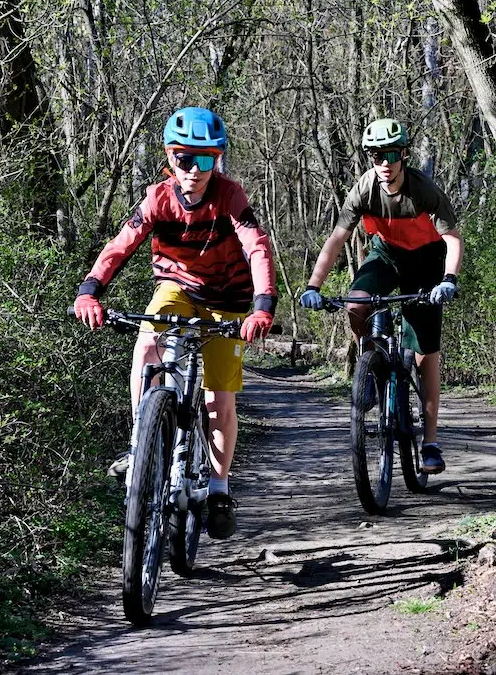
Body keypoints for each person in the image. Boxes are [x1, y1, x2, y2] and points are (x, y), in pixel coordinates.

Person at [73, 106, 276, 539]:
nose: (195, 170)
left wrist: (262, 305)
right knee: (147, 342)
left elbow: (256, 246)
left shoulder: (230, 197)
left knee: (217, 398)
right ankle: (140, 442)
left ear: (217, 160)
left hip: (228, 300)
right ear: (170, 157)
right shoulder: (157, 198)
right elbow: (122, 244)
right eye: (185, 158)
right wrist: (90, 289)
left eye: (206, 160)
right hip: (178, 288)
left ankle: (219, 488)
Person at [300, 118, 462, 474]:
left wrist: (448, 279)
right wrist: (314, 285)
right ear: (370, 157)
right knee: (357, 303)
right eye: (376, 155)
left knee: (424, 354)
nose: (384, 162)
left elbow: (452, 239)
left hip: (426, 260)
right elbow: (337, 239)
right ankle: (370, 364)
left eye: (391, 154)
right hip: (386, 253)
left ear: (403, 153)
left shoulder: (423, 190)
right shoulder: (365, 188)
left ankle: (430, 442)